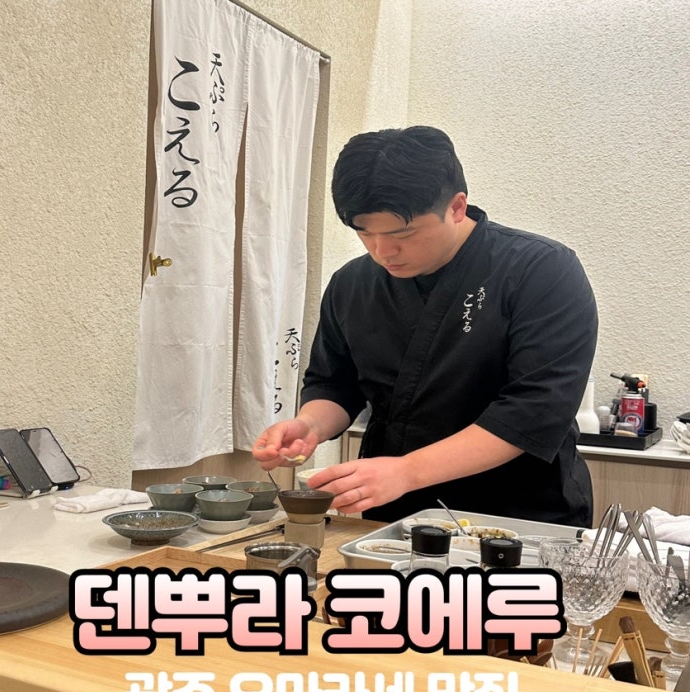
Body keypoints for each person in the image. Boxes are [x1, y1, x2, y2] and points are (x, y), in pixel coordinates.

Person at [252, 125, 598, 528]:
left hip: (520, 513)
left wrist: (406, 471)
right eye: (365, 232)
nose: (382, 251)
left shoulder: (540, 270)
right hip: (394, 515)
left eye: (403, 233)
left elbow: (533, 411)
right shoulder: (352, 284)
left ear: (457, 207)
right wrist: (309, 425)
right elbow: (335, 385)